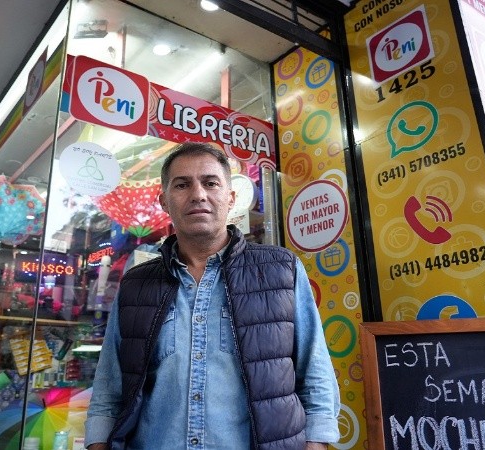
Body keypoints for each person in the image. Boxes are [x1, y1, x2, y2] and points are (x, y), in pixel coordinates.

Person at [85, 142, 340, 449]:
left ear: (230, 198)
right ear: (164, 200)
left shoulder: (281, 270)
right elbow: (109, 390)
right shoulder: (136, 284)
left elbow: (315, 374)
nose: (198, 194)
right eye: (182, 185)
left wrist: (316, 443)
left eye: (210, 183)